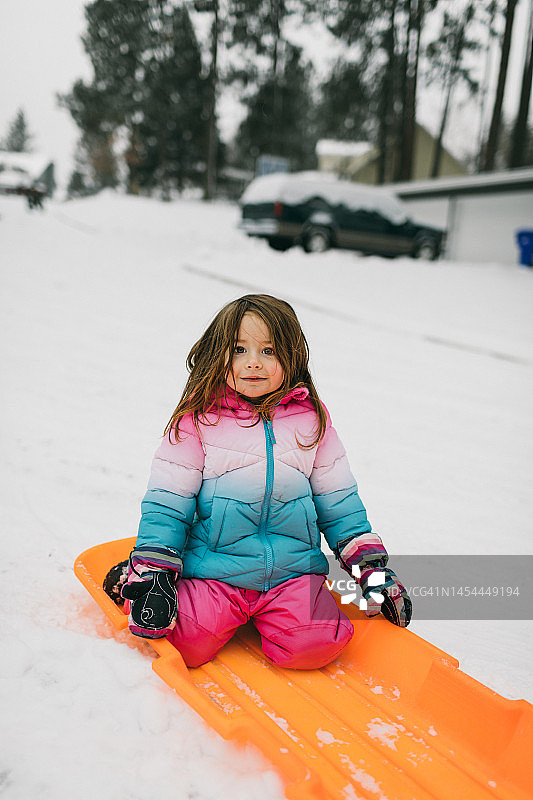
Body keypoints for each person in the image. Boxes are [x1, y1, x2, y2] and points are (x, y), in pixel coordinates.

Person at [104, 294, 411, 669]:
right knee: (186, 643)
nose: (253, 362)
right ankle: (133, 581)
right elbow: (169, 504)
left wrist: (371, 570)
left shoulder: (312, 422)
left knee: (316, 646)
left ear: (291, 356)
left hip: (291, 574)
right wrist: (157, 575)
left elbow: (340, 504)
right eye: (239, 349)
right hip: (214, 570)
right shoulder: (199, 421)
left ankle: (274, 618)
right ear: (220, 354)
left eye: (269, 350)